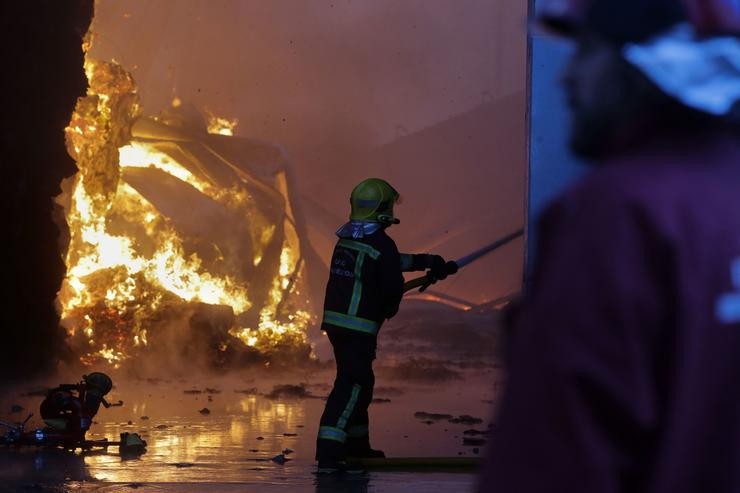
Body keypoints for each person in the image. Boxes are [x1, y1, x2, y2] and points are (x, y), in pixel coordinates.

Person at [481, 0, 740, 491]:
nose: (568, 79)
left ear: (649, 63)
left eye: (587, 52)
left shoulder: (621, 214)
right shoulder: (723, 202)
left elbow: (554, 458)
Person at [315, 178, 456, 474]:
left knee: (362, 383)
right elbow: (391, 283)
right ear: (383, 209)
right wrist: (393, 301)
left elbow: (390, 262)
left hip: (339, 324)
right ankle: (329, 453)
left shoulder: (350, 238)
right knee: (352, 385)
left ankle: (357, 445)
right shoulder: (380, 242)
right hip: (358, 327)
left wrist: (427, 261)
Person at [40, 372, 120, 442]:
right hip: (79, 415)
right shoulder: (75, 402)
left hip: (84, 414)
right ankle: (76, 435)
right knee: (81, 419)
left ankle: (78, 435)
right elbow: (80, 405)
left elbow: (103, 405)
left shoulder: (88, 399)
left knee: (82, 420)